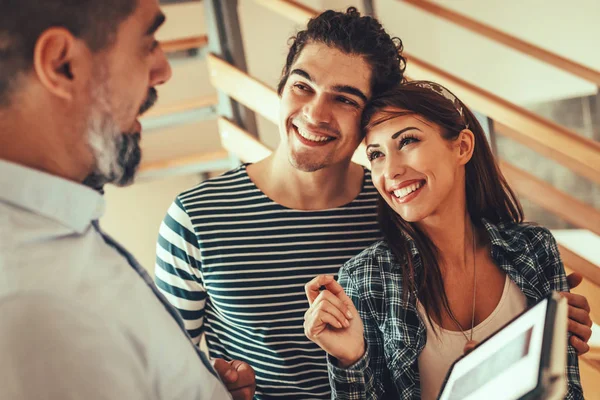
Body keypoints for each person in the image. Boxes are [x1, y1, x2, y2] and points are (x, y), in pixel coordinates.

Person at [155, 7, 591, 399]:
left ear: (369, 119)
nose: (315, 113)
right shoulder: (194, 218)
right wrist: (214, 388)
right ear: (282, 85)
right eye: (302, 86)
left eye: (344, 98)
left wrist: (544, 321)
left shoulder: (401, 204)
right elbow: (163, 370)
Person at [0, 0, 254, 399]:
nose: (164, 70)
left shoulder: (60, 226)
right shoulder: (39, 315)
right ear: (62, 64)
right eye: (147, 42)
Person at [303, 81, 586, 399]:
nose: (391, 171)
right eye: (376, 155)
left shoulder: (535, 248)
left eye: (407, 141)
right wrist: (350, 358)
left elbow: (568, 390)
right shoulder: (365, 277)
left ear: (463, 147)